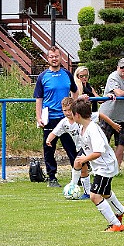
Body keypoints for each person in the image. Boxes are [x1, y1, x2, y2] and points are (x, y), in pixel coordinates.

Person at [71, 98, 124, 232]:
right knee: (105, 192)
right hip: (102, 166)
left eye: (72, 113)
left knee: (94, 195)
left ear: (77, 115)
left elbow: (98, 152)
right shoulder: (83, 125)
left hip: (105, 166)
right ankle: (120, 210)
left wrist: (84, 158)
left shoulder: (93, 130)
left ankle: (115, 224)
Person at [46, 97, 121, 199]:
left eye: (69, 110)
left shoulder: (83, 119)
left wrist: (113, 124)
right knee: (83, 169)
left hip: (88, 147)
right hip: (82, 148)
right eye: (65, 110)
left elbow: (99, 114)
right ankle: (86, 191)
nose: (67, 113)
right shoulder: (64, 123)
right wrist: (48, 140)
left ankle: (73, 185)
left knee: (78, 162)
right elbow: (54, 132)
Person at [34, 46, 78, 187]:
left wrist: (74, 109)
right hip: (50, 118)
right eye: (51, 56)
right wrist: (39, 117)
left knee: (72, 148)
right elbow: (39, 98)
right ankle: (51, 177)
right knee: (49, 148)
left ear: (61, 57)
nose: (54, 59)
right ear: (48, 59)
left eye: (56, 56)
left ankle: (78, 177)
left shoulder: (67, 75)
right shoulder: (43, 77)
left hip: (66, 118)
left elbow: (75, 92)